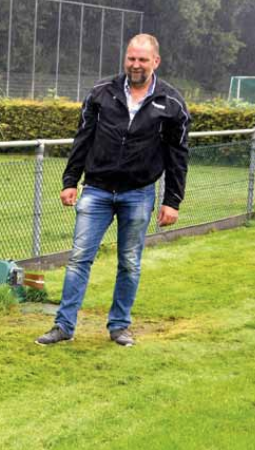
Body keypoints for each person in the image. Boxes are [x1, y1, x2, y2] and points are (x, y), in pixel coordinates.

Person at [36, 34, 190, 347]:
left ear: (155, 62)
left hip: (139, 193)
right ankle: (63, 326)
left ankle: (119, 326)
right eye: (131, 58)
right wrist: (70, 181)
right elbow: (83, 138)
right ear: (125, 59)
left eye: (143, 59)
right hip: (97, 190)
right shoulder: (100, 93)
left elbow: (178, 154)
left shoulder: (171, 103)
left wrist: (172, 200)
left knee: (129, 263)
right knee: (79, 259)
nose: (136, 64)